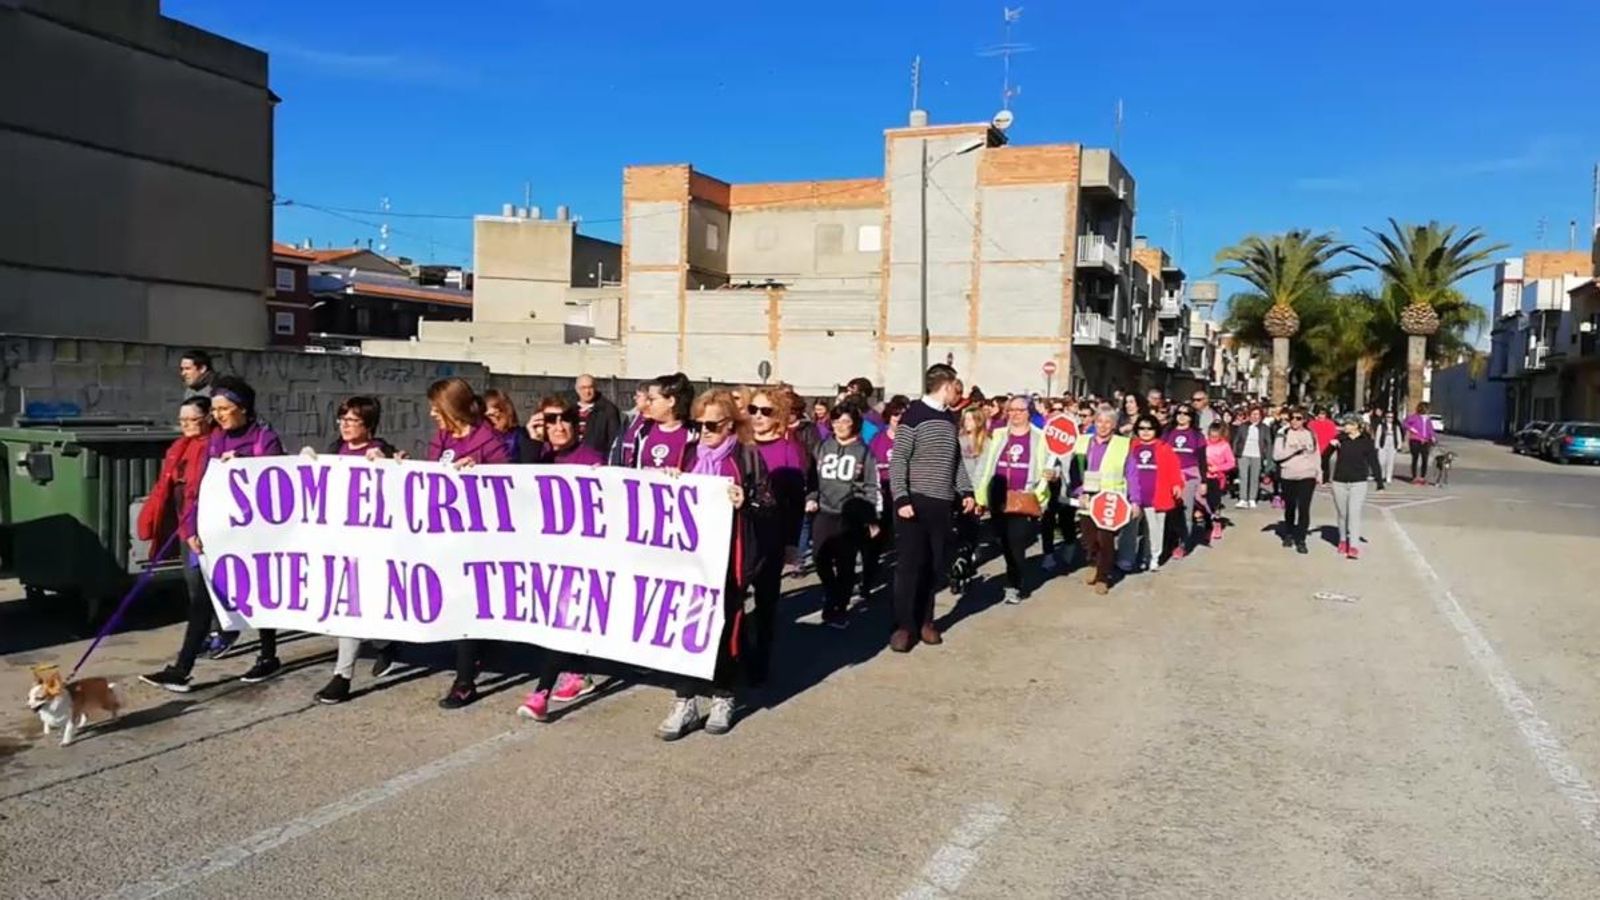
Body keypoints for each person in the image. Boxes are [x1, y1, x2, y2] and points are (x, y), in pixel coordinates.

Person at [656, 389, 772, 740]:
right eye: (698, 423)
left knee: (725, 628)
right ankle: (685, 698)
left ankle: (723, 695)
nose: (704, 431)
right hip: (690, 558)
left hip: (729, 559)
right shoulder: (688, 453)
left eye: (712, 424)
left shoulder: (747, 457)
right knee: (685, 627)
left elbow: (769, 504)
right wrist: (668, 481)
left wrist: (746, 500)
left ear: (730, 425)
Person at [294, 397, 402, 704]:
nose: (344, 425)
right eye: (342, 419)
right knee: (354, 607)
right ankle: (385, 644)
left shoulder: (383, 451)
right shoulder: (335, 452)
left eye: (352, 420)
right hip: (339, 544)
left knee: (352, 608)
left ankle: (342, 676)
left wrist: (387, 465)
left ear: (368, 425)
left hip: (371, 546)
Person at [517, 395, 610, 721]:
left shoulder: (591, 459)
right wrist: (531, 439)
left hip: (579, 557)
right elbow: (522, 486)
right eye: (549, 421)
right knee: (554, 623)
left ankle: (540, 694)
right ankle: (578, 671)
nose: (556, 427)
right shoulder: (540, 456)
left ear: (576, 426)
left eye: (562, 420)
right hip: (544, 555)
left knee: (560, 623)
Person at [426, 377, 514, 709]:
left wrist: (479, 474)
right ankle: (479, 651)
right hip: (447, 532)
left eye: (437, 406)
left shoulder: (486, 439)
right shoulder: (442, 438)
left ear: (450, 406)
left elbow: (509, 483)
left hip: (479, 537)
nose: (432, 412)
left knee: (466, 603)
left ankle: (465, 681)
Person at [887, 365, 974, 653]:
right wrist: (901, 498)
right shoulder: (914, 415)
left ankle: (926, 621)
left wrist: (966, 490)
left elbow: (956, 460)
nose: (957, 392)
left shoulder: (949, 418)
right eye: (955, 387)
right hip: (914, 503)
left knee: (934, 565)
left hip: (941, 502)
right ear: (945, 386)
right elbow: (899, 460)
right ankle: (904, 626)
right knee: (910, 567)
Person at [138, 397, 218, 692]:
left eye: (191, 419)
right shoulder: (179, 448)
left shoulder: (213, 447)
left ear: (207, 418)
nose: (184, 424)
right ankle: (189, 660)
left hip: (206, 532)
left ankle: (183, 667)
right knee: (199, 596)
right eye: (181, 419)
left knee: (203, 597)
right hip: (187, 531)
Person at [744, 385, 813, 685]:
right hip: (740, 536)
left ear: (779, 416)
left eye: (766, 411)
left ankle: (760, 663)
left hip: (771, 536)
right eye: (753, 410)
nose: (758, 416)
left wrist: (791, 543)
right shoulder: (740, 444)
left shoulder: (789, 451)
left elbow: (795, 503)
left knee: (766, 603)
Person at [806, 404, 881, 628]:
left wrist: (871, 518)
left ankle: (838, 607)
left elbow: (871, 486)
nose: (840, 426)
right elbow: (812, 478)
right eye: (836, 421)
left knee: (846, 564)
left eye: (845, 422)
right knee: (820, 558)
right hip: (824, 511)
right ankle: (831, 591)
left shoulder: (864, 452)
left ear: (855, 424)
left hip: (850, 515)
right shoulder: (822, 446)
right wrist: (811, 497)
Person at [972, 396, 1053, 604]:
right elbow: (985, 465)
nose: (1015, 414)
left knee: (1016, 543)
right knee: (1004, 541)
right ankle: (1012, 571)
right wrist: (979, 497)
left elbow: (1051, 464)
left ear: (1029, 413)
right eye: (1011, 410)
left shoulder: (1041, 437)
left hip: (1024, 498)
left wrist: (1053, 475)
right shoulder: (998, 435)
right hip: (997, 496)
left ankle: (1013, 585)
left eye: (1020, 410)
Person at [1069, 407, 1137, 595]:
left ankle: (1102, 576)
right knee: (1089, 538)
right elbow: (1073, 471)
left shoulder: (1123, 444)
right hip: (1086, 498)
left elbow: (1132, 474)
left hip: (1111, 500)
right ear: (1094, 422)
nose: (1103, 426)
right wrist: (1077, 492)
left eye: (1108, 422)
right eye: (1100, 421)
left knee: (1105, 539)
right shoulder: (1081, 442)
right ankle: (1092, 560)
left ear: (1114, 425)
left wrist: (1135, 500)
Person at [1127, 414, 1184, 572]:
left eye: (1149, 428)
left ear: (1156, 430)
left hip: (1157, 496)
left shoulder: (1164, 448)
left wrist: (1177, 485)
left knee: (1154, 529)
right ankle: (1129, 558)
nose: (1145, 432)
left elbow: (1174, 470)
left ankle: (1152, 557)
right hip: (1134, 496)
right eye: (1142, 428)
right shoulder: (1131, 446)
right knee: (1130, 529)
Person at [1324, 414, 1385, 560]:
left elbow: (1373, 462)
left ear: (1357, 425)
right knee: (1343, 514)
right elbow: (1324, 458)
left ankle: (1354, 546)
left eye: (1348, 424)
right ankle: (1343, 540)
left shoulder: (1366, 442)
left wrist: (1379, 481)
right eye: (1344, 424)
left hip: (1358, 482)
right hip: (1339, 481)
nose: (1345, 427)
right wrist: (1330, 447)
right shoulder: (1340, 439)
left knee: (1354, 513)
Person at [1163, 405, 1207, 559]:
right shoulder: (1168, 432)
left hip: (1189, 476)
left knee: (1185, 512)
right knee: (1167, 512)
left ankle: (1183, 544)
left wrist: (1204, 482)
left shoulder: (1197, 435)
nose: (1181, 416)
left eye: (1185, 414)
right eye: (1179, 413)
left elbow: (1202, 460)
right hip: (1168, 475)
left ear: (1191, 417)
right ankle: (1167, 543)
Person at [1273, 408, 1319, 554]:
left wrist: (1319, 472)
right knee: (1290, 507)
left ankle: (1301, 539)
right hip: (1288, 475)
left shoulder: (1311, 434)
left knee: (1304, 508)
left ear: (1304, 420)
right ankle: (1288, 533)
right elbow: (1277, 455)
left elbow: (1316, 455)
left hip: (1307, 476)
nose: (1294, 421)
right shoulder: (1283, 434)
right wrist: (1295, 450)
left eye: (1298, 418)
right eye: (1292, 418)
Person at [1203, 423, 1237, 544]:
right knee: (1204, 503)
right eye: (1210, 436)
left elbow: (1231, 463)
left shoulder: (1224, 446)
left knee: (1215, 502)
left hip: (1217, 478)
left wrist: (1217, 468)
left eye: (1215, 436)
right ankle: (1207, 526)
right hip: (1203, 476)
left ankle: (1216, 524)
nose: (1212, 438)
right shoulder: (1204, 443)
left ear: (1220, 435)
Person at [574, 374, 622, 454]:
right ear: (577, 389)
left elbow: (614, 440)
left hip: (597, 460)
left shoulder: (608, 410)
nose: (587, 391)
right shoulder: (569, 409)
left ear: (595, 388)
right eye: (583, 388)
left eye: (590, 387)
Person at [1232, 406, 1270, 508]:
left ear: (1261, 416)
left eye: (1257, 414)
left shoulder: (1265, 428)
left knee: (1255, 477)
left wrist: (1267, 457)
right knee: (1243, 477)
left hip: (1257, 455)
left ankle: (1252, 498)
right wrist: (1235, 454)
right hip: (1243, 454)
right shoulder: (1243, 426)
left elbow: (1268, 443)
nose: (1255, 416)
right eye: (1253, 414)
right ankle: (1243, 498)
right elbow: (1236, 440)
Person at [482, 389, 535, 462]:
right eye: (488, 417)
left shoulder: (520, 435)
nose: (493, 420)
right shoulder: (482, 437)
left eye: (498, 415)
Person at [611, 382, 652, 467]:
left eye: (638, 396)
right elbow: (618, 445)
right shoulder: (630, 418)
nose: (634, 398)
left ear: (649, 400)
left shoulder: (655, 423)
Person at [1404, 402, 1437, 485]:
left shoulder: (1428, 419)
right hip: (1415, 440)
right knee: (1415, 458)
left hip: (1425, 441)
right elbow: (1405, 423)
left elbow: (1430, 429)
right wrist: (1411, 429)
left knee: (1425, 459)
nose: (1428, 411)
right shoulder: (1415, 417)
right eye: (1427, 409)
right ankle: (1414, 477)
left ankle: (1422, 477)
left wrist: (1433, 437)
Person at [1308, 408, 1339, 482]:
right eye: (1319, 414)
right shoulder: (1311, 423)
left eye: (1323, 414)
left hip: (1329, 447)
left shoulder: (1330, 423)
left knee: (1333, 458)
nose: (1321, 416)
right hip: (1315, 447)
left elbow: (1334, 436)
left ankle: (1330, 477)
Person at [1374, 408, 1403, 484]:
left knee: (1390, 461)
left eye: (1391, 417)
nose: (1390, 419)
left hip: (1392, 444)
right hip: (1383, 444)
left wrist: (1399, 445)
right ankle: (1381, 476)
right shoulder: (1381, 426)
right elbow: (1378, 436)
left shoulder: (1396, 427)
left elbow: (1399, 436)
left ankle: (1388, 476)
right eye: (1388, 417)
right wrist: (1377, 445)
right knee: (1381, 461)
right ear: (1385, 417)